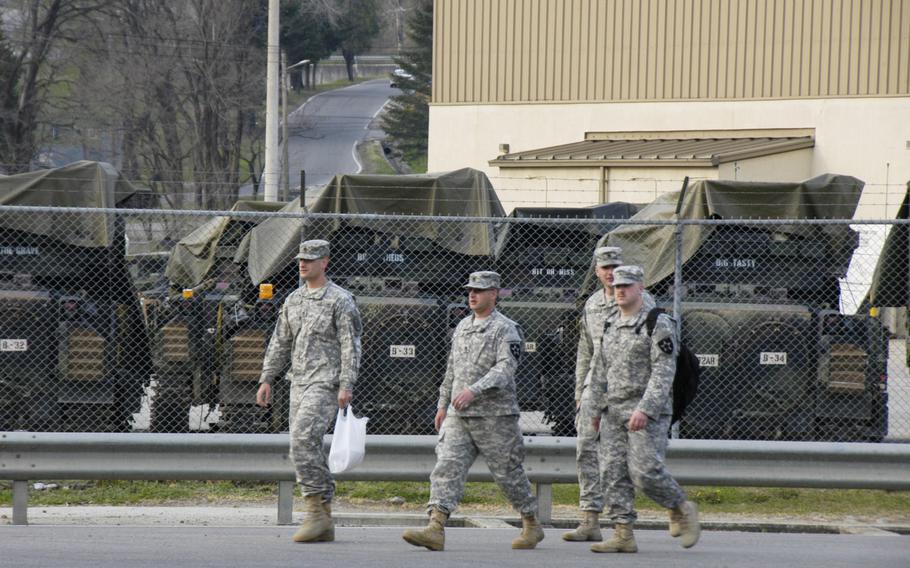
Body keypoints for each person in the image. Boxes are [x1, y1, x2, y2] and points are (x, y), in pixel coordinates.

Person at [402, 271, 544, 552]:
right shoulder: (462, 327)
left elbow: (505, 369)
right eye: (470, 290)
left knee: (508, 474)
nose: (472, 295)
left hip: (495, 416)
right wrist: (442, 404)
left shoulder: (506, 329)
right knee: (446, 466)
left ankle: (531, 522)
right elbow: (451, 370)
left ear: (494, 294)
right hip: (459, 415)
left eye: (479, 290)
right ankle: (436, 527)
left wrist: (474, 390)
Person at [585, 265, 700, 554]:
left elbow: (664, 371)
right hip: (614, 411)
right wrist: (596, 409)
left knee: (644, 471)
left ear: (641, 288)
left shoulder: (657, 323)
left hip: (647, 413)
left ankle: (679, 506)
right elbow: (599, 370)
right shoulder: (610, 322)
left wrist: (645, 410)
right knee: (612, 472)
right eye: (617, 285)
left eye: (627, 285)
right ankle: (623, 533)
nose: (620, 290)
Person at [256, 239, 362, 543]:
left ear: (325, 262)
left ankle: (314, 510)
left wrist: (346, 383)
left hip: (326, 383)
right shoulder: (294, 300)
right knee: (304, 445)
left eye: (310, 259)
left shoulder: (341, 300)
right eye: (301, 259)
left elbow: (350, 345)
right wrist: (267, 378)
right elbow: (280, 341)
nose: (303, 264)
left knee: (302, 439)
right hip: (298, 382)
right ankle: (324, 516)